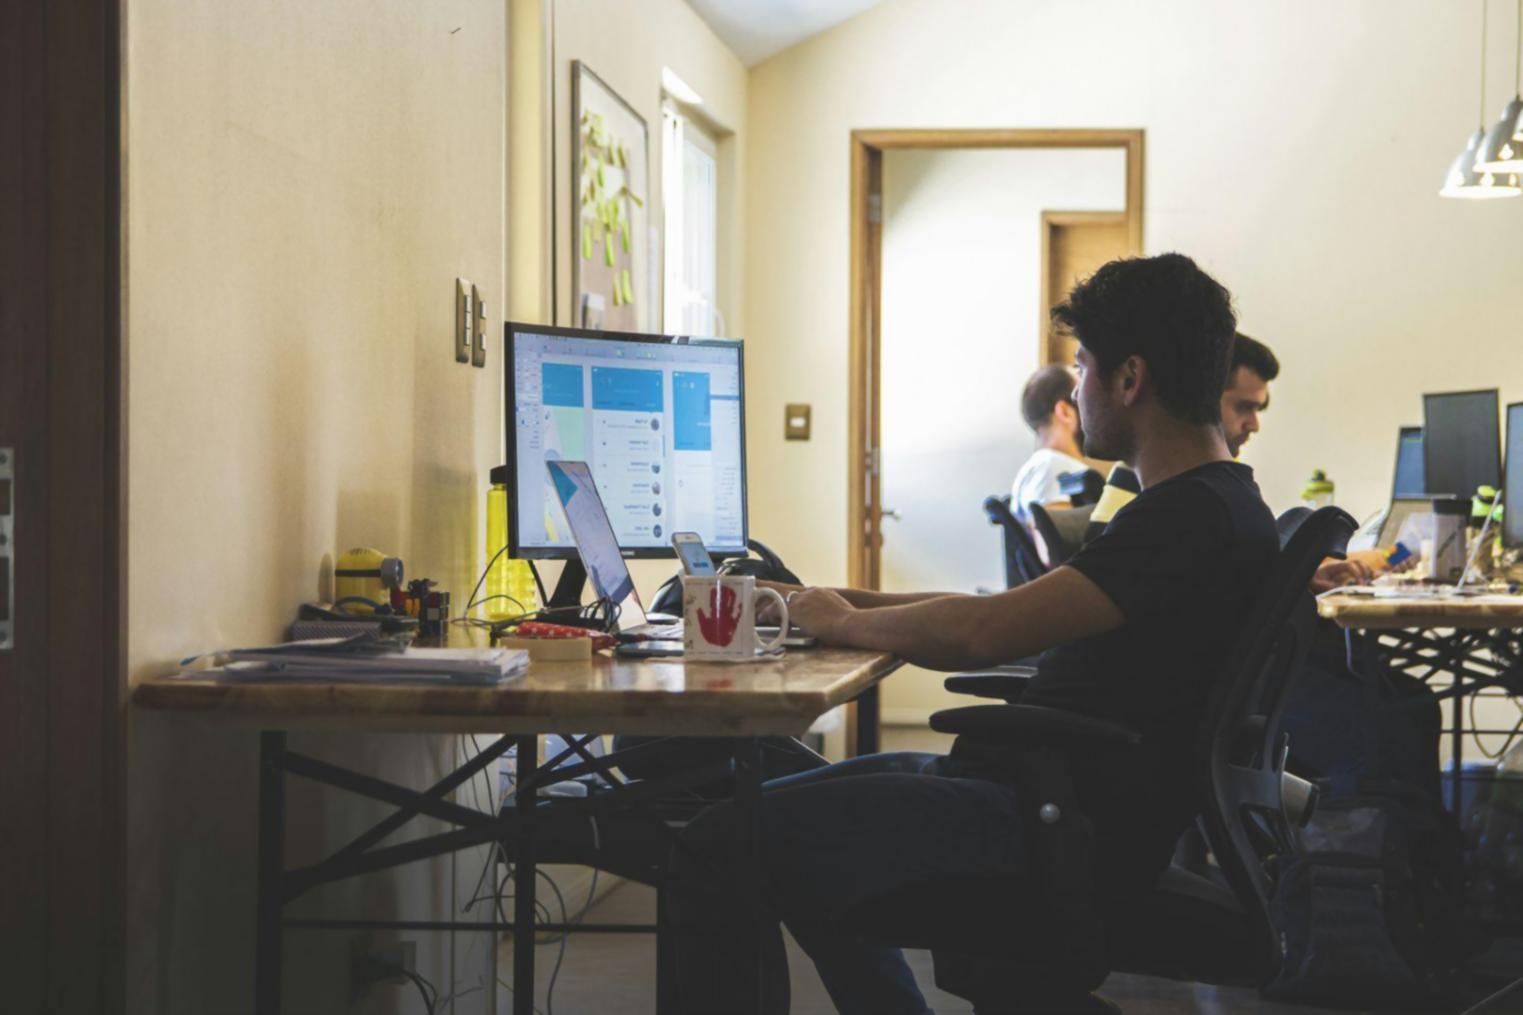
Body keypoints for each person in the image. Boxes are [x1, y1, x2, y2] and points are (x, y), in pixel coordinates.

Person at [670, 253, 1280, 1013]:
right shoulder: (1213, 504)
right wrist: (826, 600)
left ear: (1129, 378)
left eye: (1083, 364)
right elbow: (1008, 609)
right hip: (1042, 799)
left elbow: (984, 631)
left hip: (1046, 825)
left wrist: (845, 621)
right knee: (777, 804)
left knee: (712, 846)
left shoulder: (1183, 517)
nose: (1077, 387)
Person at [1216, 331, 1388, 591]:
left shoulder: (1233, 495)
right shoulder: (1205, 501)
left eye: (1257, 410)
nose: (1254, 425)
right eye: (1243, 407)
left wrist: (1302, 582)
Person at [1010, 364, 1090, 526]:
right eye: (1082, 395)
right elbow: (1050, 544)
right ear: (1064, 412)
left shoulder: (1045, 466)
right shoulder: (1054, 466)